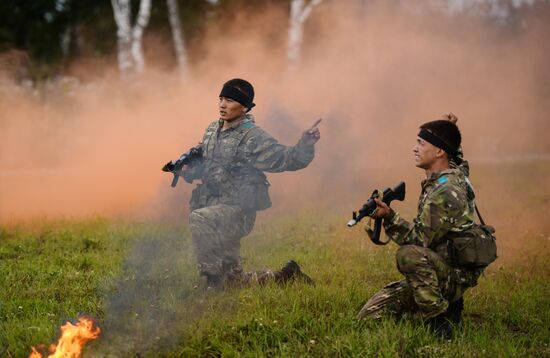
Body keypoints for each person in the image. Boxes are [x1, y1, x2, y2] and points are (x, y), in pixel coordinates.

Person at [180, 78, 320, 289]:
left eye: (229, 100)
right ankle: (286, 276)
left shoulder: (253, 137)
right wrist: (187, 170)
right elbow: (207, 164)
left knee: (199, 219)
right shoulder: (211, 130)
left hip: (237, 210)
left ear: (244, 106)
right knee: (234, 282)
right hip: (212, 204)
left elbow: (287, 158)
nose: (222, 105)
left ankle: (212, 282)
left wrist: (305, 145)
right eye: (220, 99)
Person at [356, 118, 484, 339]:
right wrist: (449, 128)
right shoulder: (452, 172)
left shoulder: (445, 190)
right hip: (439, 268)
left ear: (440, 152)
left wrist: (388, 216)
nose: (415, 148)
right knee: (369, 316)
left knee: (408, 255)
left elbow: (418, 240)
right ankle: (438, 302)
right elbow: (457, 157)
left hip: (452, 276)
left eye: (421, 143)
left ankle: (441, 320)